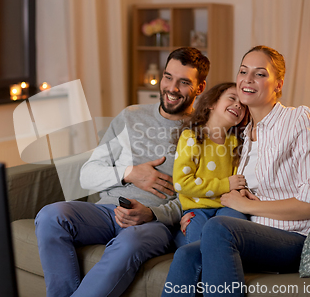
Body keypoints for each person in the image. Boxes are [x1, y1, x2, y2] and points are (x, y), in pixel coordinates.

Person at [35, 47, 209, 297]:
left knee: (130, 242)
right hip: (106, 211)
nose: (171, 88)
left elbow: (197, 198)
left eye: (183, 82)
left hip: (153, 225)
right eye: (168, 77)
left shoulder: (202, 133)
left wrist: (151, 213)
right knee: (51, 215)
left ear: (200, 88)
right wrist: (129, 172)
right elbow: (88, 173)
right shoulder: (131, 116)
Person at [161, 45, 310, 297]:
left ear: (278, 84)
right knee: (187, 253)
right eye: (243, 71)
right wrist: (189, 213)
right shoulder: (241, 136)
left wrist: (246, 206)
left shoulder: (298, 119)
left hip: (292, 238)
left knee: (219, 228)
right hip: (246, 235)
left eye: (260, 74)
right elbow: (203, 183)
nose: (248, 79)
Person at [171, 82, 248, 248]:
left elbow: (238, 180)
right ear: (212, 103)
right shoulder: (191, 137)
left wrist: (241, 191)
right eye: (232, 98)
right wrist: (225, 184)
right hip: (198, 210)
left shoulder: (236, 143)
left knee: (237, 232)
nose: (238, 105)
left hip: (227, 207)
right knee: (198, 246)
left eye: (243, 104)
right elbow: (181, 183)